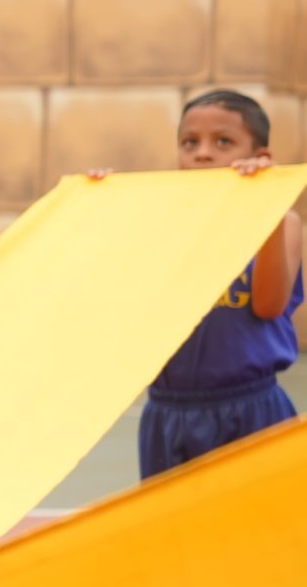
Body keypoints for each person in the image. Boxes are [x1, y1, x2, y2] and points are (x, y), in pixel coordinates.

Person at [95, 91, 303, 478]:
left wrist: (269, 201)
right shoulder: (158, 223)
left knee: (256, 515)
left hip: (252, 410)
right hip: (170, 413)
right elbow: (116, 293)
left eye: (223, 141)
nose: (203, 153)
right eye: (190, 143)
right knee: (172, 518)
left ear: (260, 155)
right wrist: (102, 205)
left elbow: (269, 305)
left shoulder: (284, 222)